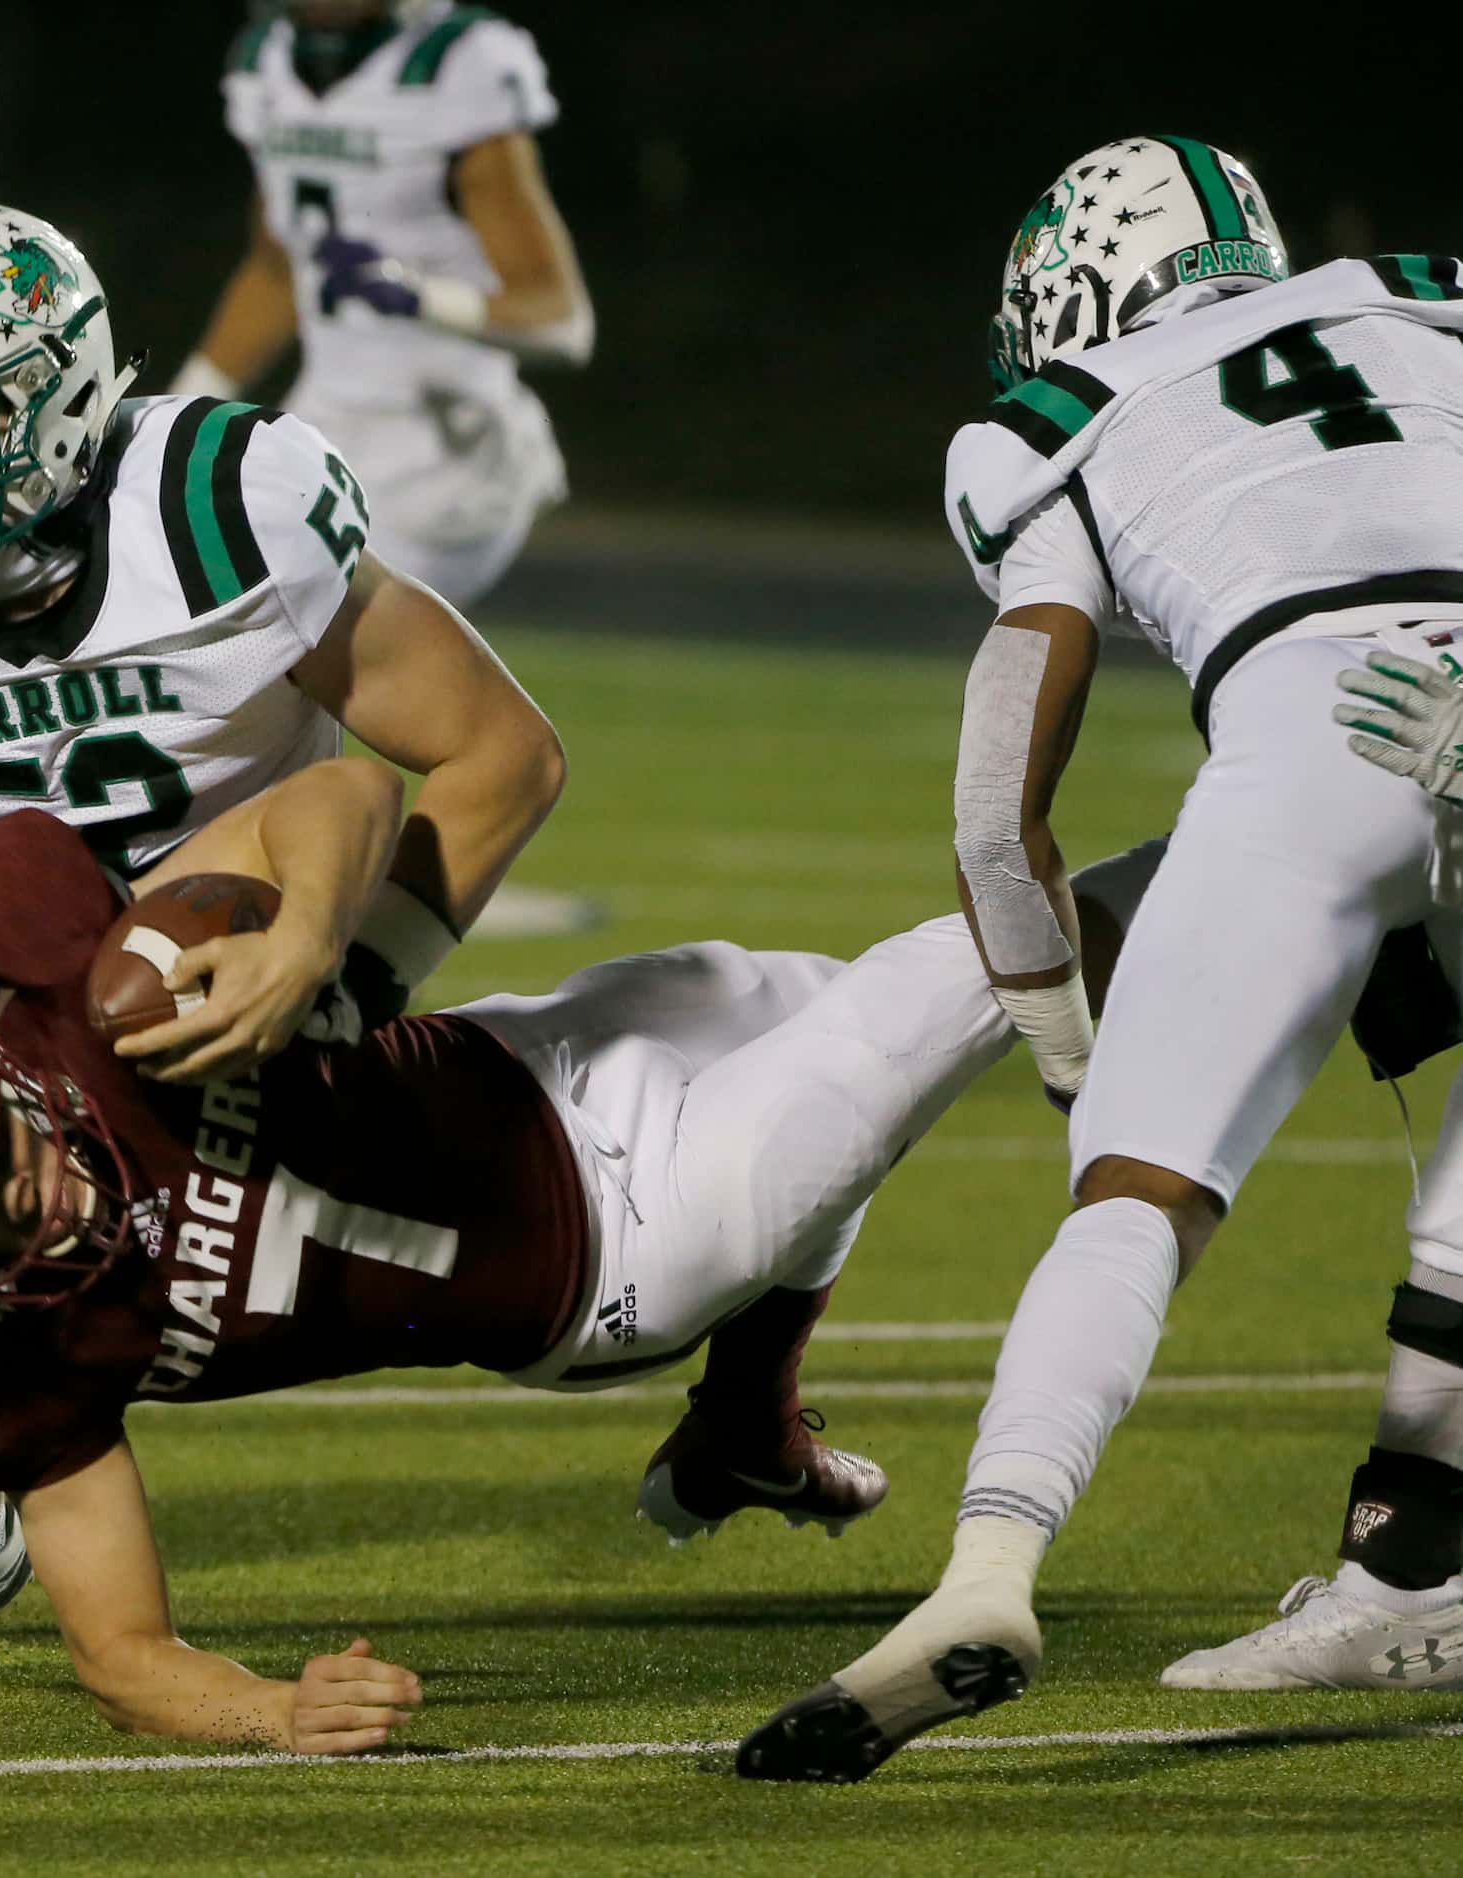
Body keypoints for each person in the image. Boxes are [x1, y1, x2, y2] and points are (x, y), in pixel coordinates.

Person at [0, 759, 1162, 1732]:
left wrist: (304, 938)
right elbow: (123, 1648)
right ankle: (1304, 848)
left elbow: (346, 787)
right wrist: (272, 1705)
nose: (37, 1209)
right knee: (978, 967)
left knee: (865, 1031)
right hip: (622, 1252)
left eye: (4, 1162)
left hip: (538, 1047)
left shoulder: (22, 944)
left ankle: (745, 1421)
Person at [0, 199, 570, 1670]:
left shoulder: (210, 505)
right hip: (30, 1063)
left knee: (566, 1272)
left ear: (54, 400)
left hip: (234, 973)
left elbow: (502, 753)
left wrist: (345, 983)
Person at [738, 141, 1463, 1785]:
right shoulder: (1419, 296)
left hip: (1318, 722)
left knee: (1132, 1198)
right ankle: (1410, 1563)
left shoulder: (1050, 419)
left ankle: (986, 1570)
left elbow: (998, 820)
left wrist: (1082, 1064)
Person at [170, 1, 592, 609]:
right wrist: (183, 402)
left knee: (301, 639)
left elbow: (561, 319)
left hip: (445, 455)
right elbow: (278, 268)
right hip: (322, 429)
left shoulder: (456, 65)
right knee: (198, 616)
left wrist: (416, 296)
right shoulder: (267, 62)